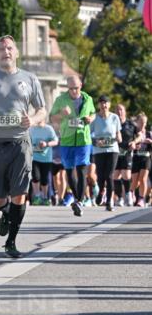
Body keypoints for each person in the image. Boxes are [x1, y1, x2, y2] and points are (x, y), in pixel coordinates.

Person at [0, 35, 45, 259]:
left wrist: (32, 120)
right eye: (2, 49)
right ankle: (5, 214)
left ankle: (11, 241)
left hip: (21, 143)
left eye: (10, 48)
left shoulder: (30, 78)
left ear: (17, 53)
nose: (6, 52)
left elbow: (42, 110)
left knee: (19, 195)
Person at [49, 75, 95, 217]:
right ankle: (76, 197)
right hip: (67, 140)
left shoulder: (88, 99)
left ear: (81, 85)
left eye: (76, 88)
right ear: (67, 88)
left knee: (81, 168)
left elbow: (93, 113)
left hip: (83, 139)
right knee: (69, 171)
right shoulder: (61, 100)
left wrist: (90, 119)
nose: (74, 91)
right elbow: (52, 118)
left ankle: (79, 201)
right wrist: (62, 114)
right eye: (71, 89)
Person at [90, 96, 122, 211]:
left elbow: (119, 135)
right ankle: (100, 193)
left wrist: (118, 138)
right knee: (101, 176)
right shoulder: (94, 118)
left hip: (112, 150)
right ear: (98, 105)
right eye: (101, 103)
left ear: (109, 104)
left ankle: (109, 201)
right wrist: (95, 141)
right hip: (99, 151)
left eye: (106, 103)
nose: (104, 106)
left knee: (109, 175)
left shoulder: (115, 117)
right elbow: (88, 135)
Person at [29, 109, 58, 205]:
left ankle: (45, 197)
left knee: (45, 179)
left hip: (46, 158)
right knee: (36, 177)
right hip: (34, 158)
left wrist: (46, 144)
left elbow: (56, 141)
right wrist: (33, 146)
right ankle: (37, 196)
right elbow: (27, 142)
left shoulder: (48, 129)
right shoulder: (31, 129)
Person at [113, 103, 139, 207]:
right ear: (114, 112)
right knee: (115, 176)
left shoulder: (131, 124)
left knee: (126, 175)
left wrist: (134, 142)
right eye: (117, 110)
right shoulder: (112, 123)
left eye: (121, 110)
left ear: (125, 112)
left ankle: (128, 194)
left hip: (127, 152)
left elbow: (140, 135)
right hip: (115, 152)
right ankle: (119, 198)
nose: (119, 112)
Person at [131, 112, 151, 207]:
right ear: (137, 122)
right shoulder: (133, 133)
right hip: (136, 157)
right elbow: (129, 145)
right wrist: (134, 146)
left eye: (145, 122)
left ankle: (141, 199)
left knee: (143, 179)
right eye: (141, 122)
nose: (143, 124)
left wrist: (150, 142)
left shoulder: (149, 133)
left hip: (146, 157)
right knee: (135, 181)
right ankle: (131, 194)